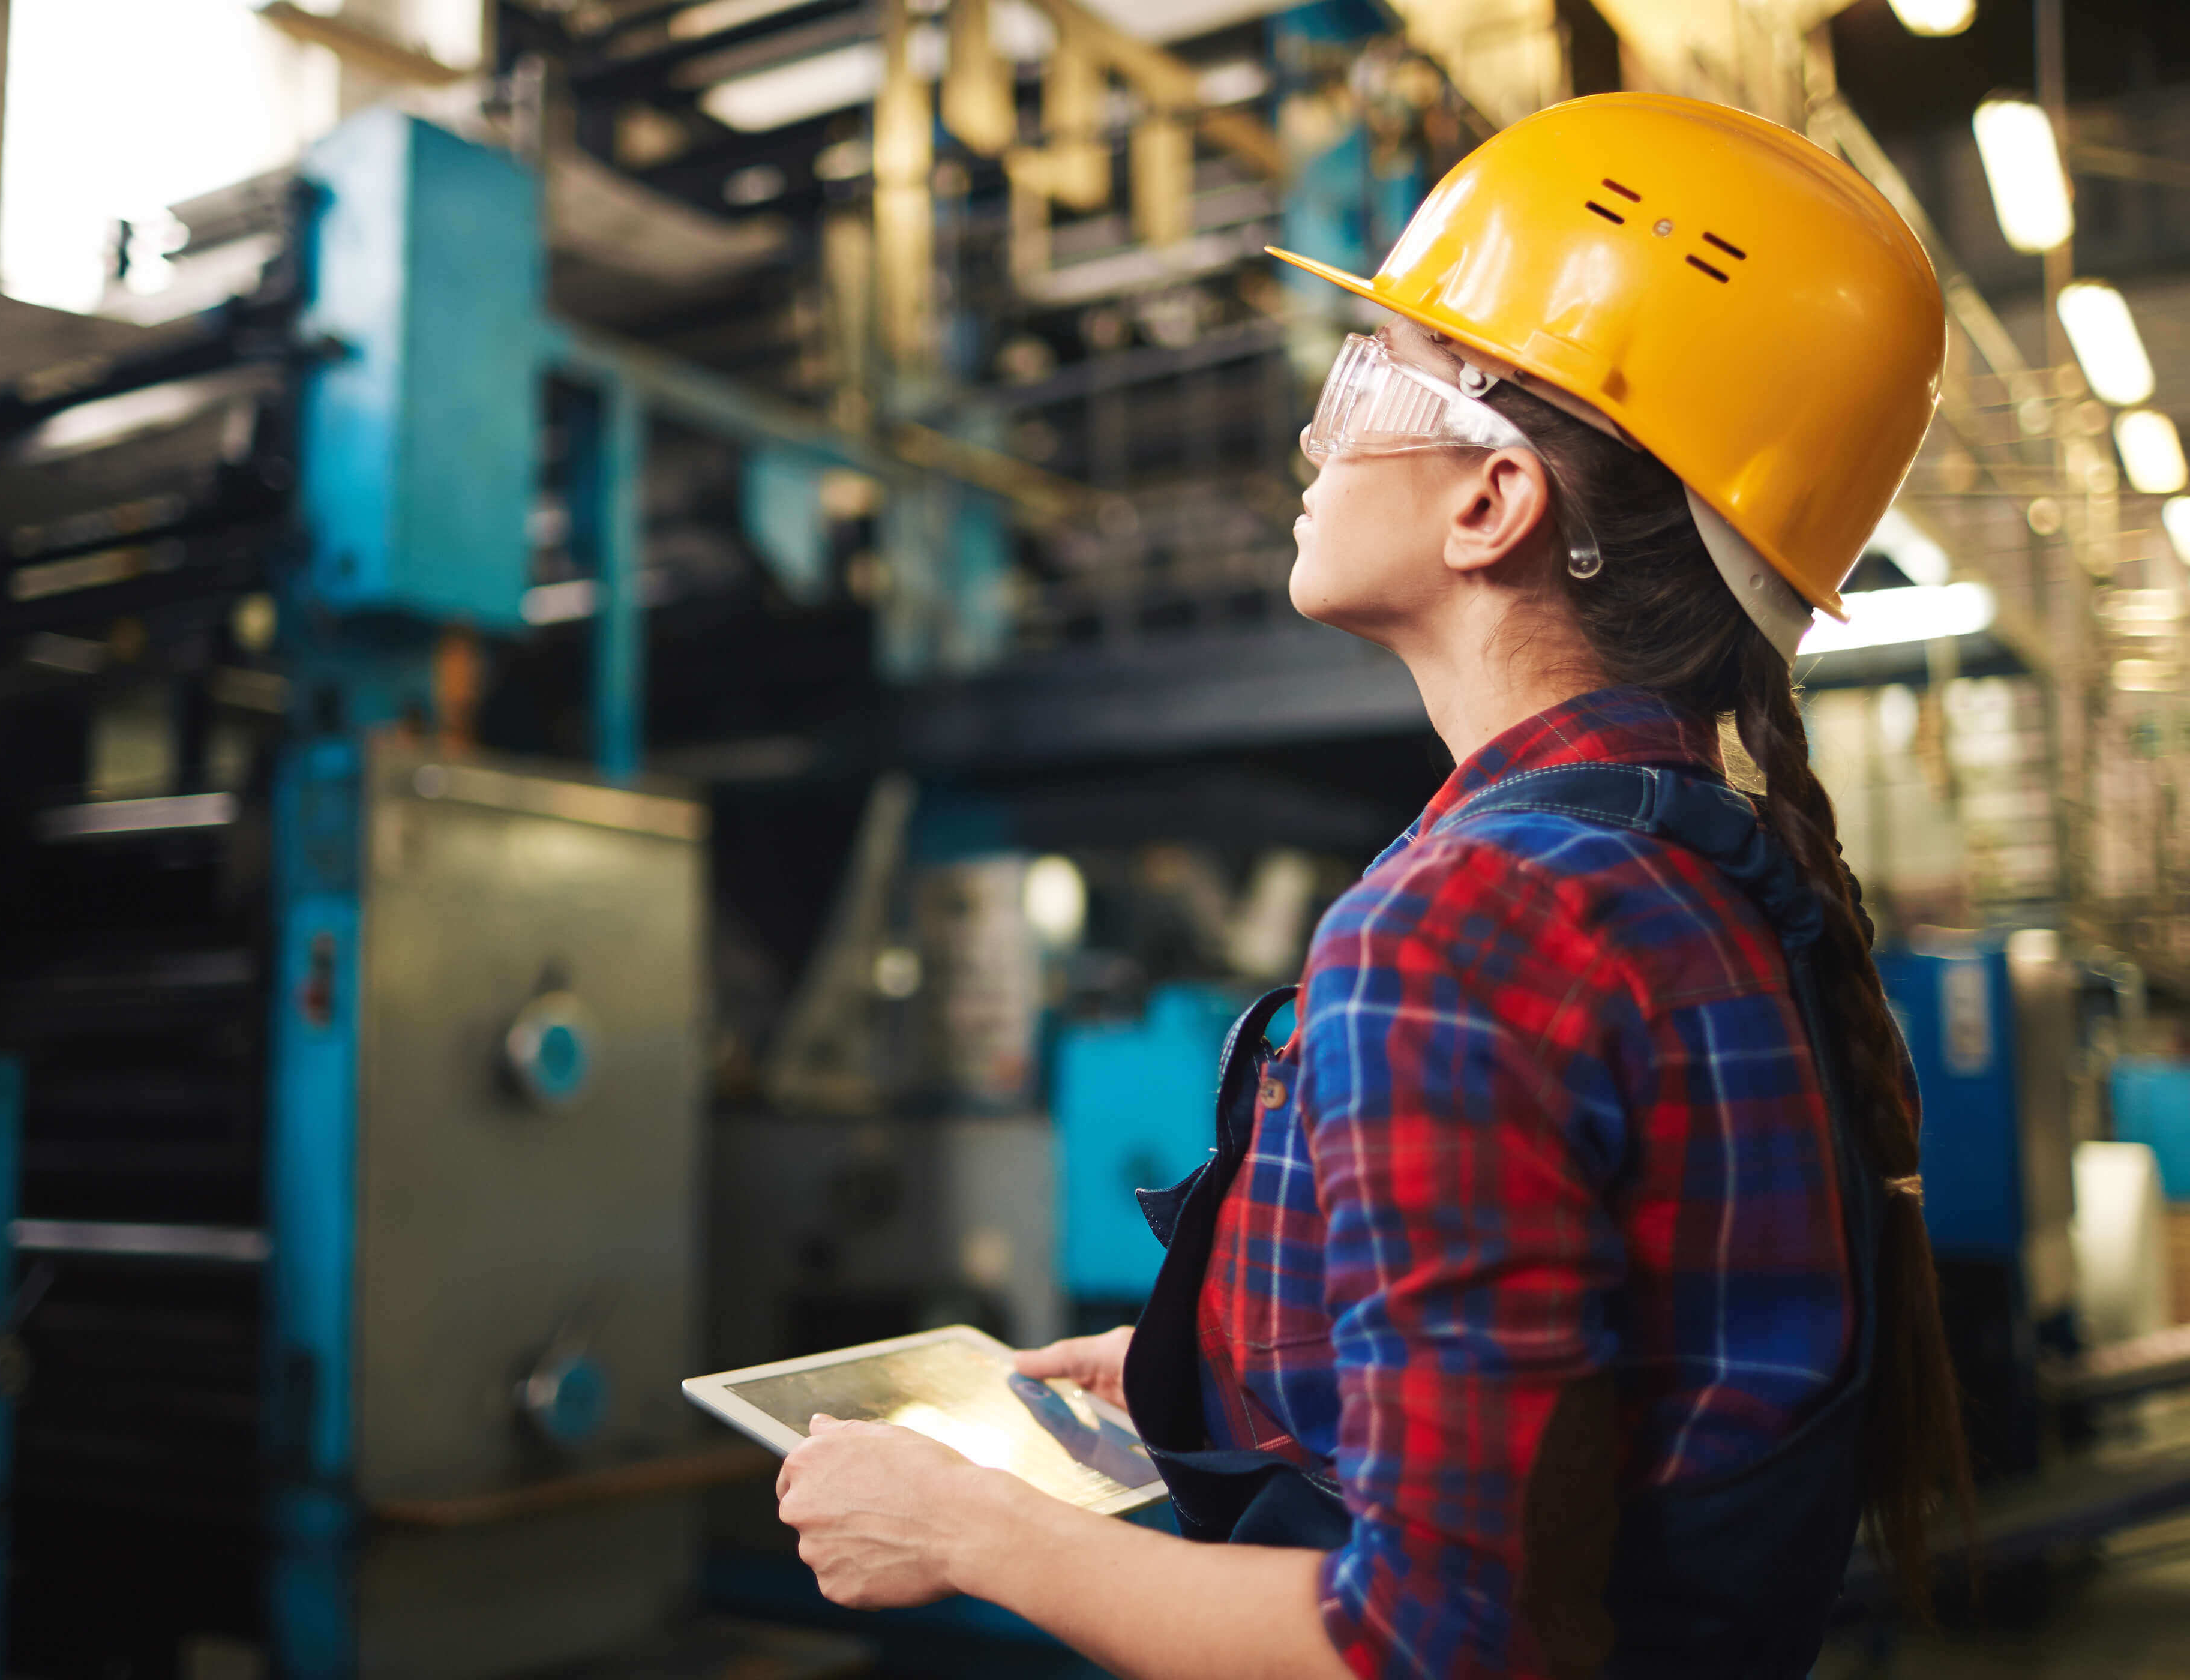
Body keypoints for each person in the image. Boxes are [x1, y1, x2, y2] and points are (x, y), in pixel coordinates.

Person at [772, 92, 1971, 1679]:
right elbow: (1629, 1403)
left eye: (1362, 383)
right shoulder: (1700, 884)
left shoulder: (1477, 921)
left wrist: (969, 1533)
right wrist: (1233, 1370)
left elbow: (1436, 1645)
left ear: (1494, 500)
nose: (1312, 438)